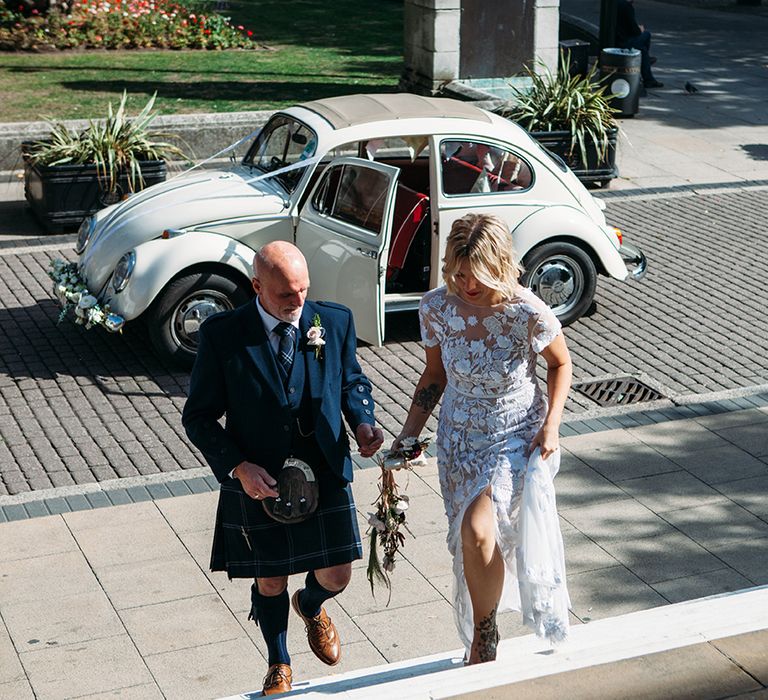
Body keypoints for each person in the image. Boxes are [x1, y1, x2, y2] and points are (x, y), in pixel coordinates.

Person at [182, 241, 384, 695]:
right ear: (257, 286)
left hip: (324, 465)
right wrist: (237, 467)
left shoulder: (330, 321)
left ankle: (311, 605)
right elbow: (197, 417)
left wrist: (364, 422)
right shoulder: (223, 335)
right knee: (270, 577)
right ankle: (279, 661)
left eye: (303, 291)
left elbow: (351, 380)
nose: (297, 304)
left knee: (337, 575)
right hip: (261, 473)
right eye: (285, 295)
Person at [393, 214, 572, 664]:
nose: (467, 283)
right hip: (457, 437)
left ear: (498, 264)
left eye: (476, 273)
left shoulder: (525, 310)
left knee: (479, 530)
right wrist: (409, 435)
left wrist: (551, 425)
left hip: (513, 433)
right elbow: (433, 374)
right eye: (458, 272)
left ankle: (484, 631)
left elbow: (560, 365)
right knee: (472, 540)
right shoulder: (436, 307)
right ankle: (486, 619)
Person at [615, 0, 663, 89]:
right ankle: (647, 67)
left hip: (617, 40)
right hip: (622, 43)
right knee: (646, 35)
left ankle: (649, 77)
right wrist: (640, 29)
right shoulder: (626, 6)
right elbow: (634, 30)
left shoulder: (615, 4)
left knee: (642, 49)